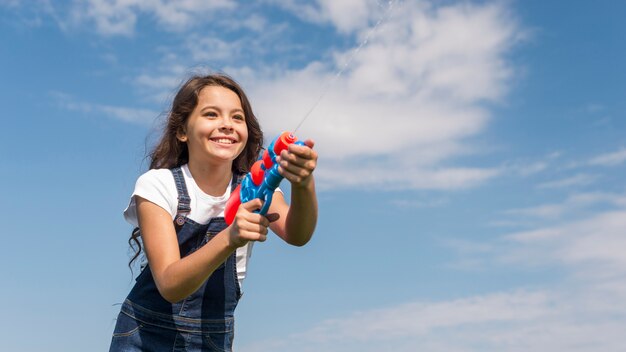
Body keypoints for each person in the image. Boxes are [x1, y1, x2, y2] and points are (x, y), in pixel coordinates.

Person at [109, 73, 318, 351]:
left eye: (237, 117)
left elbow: (297, 233)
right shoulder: (159, 185)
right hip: (145, 338)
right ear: (182, 130)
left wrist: (304, 184)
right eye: (211, 114)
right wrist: (229, 238)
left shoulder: (253, 187)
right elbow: (171, 285)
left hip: (212, 339)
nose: (226, 125)